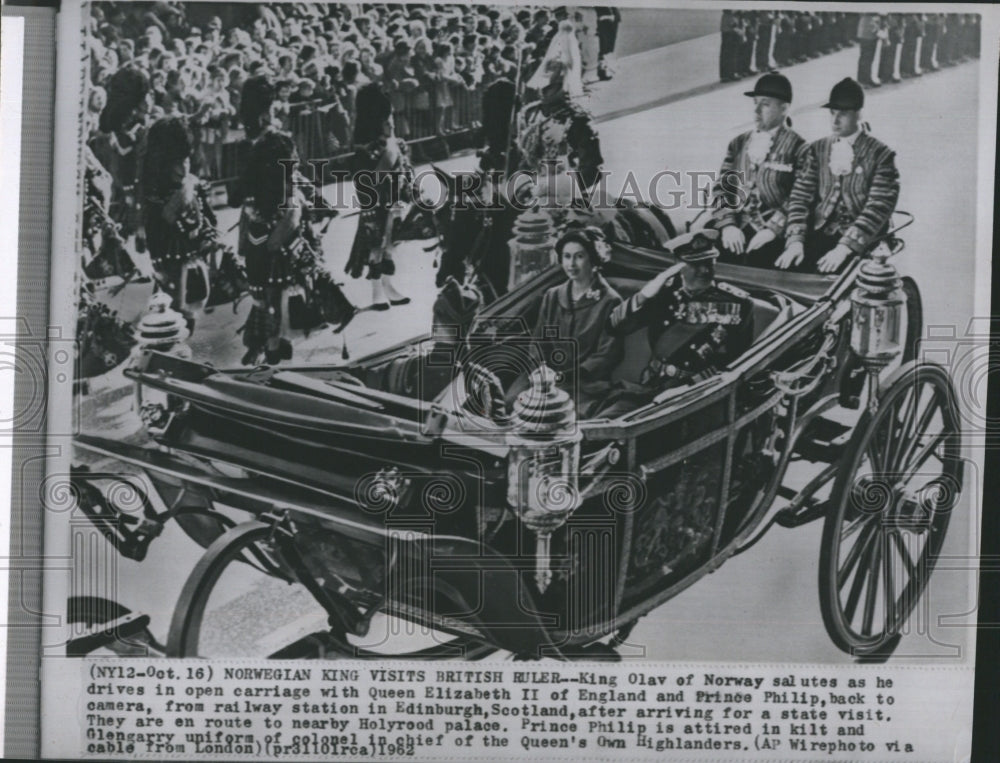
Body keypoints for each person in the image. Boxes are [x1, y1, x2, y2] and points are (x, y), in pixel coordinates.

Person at [593, 229, 754, 419]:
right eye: (696, 264)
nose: (705, 270)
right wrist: (645, 294)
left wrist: (689, 388)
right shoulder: (663, 294)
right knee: (603, 428)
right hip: (652, 388)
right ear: (678, 265)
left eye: (709, 262)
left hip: (701, 395)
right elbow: (615, 326)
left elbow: (737, 363)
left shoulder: (738, 304)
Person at [238, 129, 353, 365]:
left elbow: (319, 203)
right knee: (271, 308)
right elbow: (257, 243)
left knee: (286, 306)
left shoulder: (294, 184)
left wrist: (320, 213)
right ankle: (270, 351)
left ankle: (275, 347)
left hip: (295, 256)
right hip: (271, 263)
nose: (296, 166)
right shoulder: (256, 200)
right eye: (291, 162)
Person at [777, 78, 900, 274]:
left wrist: (844, 248)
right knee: (779, 266)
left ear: (859, 113)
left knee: (836, 282)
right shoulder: (818, 149)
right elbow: (800, 196)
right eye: (832, 113)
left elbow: (878, 206)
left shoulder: (880, 155)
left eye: (842, 114)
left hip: (862, 240)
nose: (834, 120)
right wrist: (795, 241)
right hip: (819, 233)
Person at [506, 226, 623, 418]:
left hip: (584, 384)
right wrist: (541, 368)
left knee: (564, 415)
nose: (572, 264)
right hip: (544, 377)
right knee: (512, 402)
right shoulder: (553, 296)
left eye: (579, 256)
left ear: (593, 258)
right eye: (567, 257)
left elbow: (607, 354)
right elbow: (538, 340)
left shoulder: (610, 301)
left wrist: (566, 376)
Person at [712, 73, 806, 268]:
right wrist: (728, 225)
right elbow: (722, 188)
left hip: (774, 234)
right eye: (755, 103)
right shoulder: (739, 143)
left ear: (784, 108)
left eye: (764, 104)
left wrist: (772, 230)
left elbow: (801, 198)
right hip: (737, 227)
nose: (756, 110)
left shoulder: (800, 148)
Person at [345, 83, 412, 310]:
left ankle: (388, 285)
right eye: (386, 119)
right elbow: (364, 182)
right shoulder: (364, 151)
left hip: (394, 202)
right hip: (376, 205)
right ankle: (376, 292)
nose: (391, 122)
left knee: (391, 245)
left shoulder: (394, 144)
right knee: (375, 247)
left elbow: (404, 171)